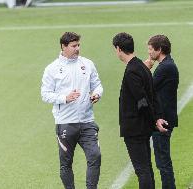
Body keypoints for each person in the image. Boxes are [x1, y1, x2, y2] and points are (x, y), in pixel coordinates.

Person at [41, 32, 103, 189]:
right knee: (66, 163)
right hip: (65, 123)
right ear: (63, 46)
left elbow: (97, 84)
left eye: (78, 45)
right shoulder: (52, 69)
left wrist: (97, 94)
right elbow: (45, 94)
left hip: (87, 121)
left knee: (95, 156)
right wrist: (64, 98)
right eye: (74, 46)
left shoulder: (87, 64)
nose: (77, 49)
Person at [112, 32, 168, 189]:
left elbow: (142, 101)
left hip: (135, 129)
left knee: (142, 170)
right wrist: (156, 118)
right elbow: (153, 96)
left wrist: (154, 120)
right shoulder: (142, 67)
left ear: (118, 49)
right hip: (142, 128)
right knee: (146, 169)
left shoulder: (132, 71)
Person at [145, 35, 179, 189]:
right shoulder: (166, 65)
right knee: (162, 161)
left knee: (163, 162)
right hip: (163, 119)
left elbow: (147, 88)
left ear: (159, 50)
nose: (149, 52)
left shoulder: (166, 67)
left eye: (151, 49)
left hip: (162, 121)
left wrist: (145, 69)